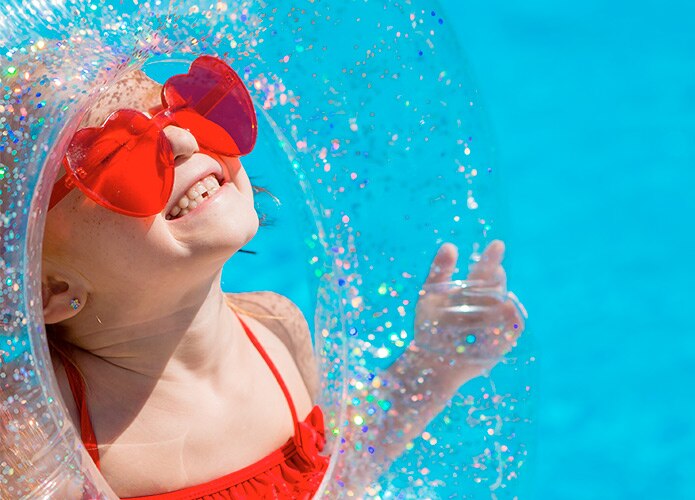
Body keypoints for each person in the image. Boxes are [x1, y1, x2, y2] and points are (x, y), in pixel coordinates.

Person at [39, 55, 526, 498]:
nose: (183, 142)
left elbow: (336, 474)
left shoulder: (276, 326)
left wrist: (434, 364)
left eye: (180, 110)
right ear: (51, 289)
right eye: (114, 155)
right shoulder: (46, 431)